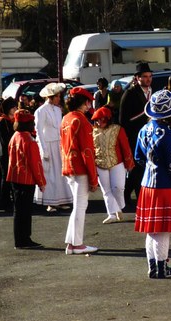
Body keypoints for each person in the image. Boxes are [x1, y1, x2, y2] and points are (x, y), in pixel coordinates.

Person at [135, 90, 171, 279]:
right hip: (164, 187)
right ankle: (163, 269)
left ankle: (153, 267)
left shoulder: (143, 129)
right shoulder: (168, 135)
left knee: (152, 230)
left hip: (147, 185)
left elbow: (138, 157)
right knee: (163, 230)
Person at [61, 88, 99, 255]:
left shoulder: (66, 118)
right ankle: (77, 244)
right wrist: (93, 177)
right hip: (81, 168)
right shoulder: (81, 120)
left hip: (69, 166)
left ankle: (72, 243)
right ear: (84, 102)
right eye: (88, 102)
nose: (89, 105)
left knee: (77, 206)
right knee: (80, 206)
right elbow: (88, 151)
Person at [7, 109, 46, 249]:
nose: (33, 124)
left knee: (18, 210)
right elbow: (36, 164)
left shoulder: (15, 136)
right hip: (27, 179)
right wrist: (41, 182)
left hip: (14, 177)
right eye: (31, 122)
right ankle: (25, 239)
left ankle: (19, 240)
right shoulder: (29, 140)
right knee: (25, 211)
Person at [91, 106, 134, 224]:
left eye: (102, 119)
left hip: (117, 162)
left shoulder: (118, 129)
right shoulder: (92, 131)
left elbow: (125, 147)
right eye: (97, 120)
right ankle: (112, 214)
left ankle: (118, 207)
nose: (99, 122)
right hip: (99, 164)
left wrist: (129, 162)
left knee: (119, 187)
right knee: (106, 190)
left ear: (108, 118)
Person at [33, 82, 72, 211]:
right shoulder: (40, 111)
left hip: (58, 144)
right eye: (57, 96)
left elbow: (60, 128)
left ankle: (60, 200)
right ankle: (50, 202)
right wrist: (43, 149)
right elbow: (38, 130)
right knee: (49, 173)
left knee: (60, 173)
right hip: (47, 144)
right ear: (51, 97)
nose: (59, 99)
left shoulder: (57, 110)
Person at [120, 62, 153, 208]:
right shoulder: (130, 93)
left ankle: (138, 195)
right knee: (137, 167)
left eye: (150, 76)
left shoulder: (152, 91)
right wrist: (145, 115)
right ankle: (128, 194)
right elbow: (123, 120)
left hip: (149, 136)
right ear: (137, 78)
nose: (148, 79)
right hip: (134, 136)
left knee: (145, 167)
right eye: (145, 77)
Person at [0, 98, 18, 212]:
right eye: (13, 107)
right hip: (3, 153)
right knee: (6, 177)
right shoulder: (2, 121)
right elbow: (4, 140)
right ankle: (4, 201)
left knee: (12, 176)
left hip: (13, 152)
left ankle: (12, 199)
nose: (15, 109)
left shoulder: (14, 121)